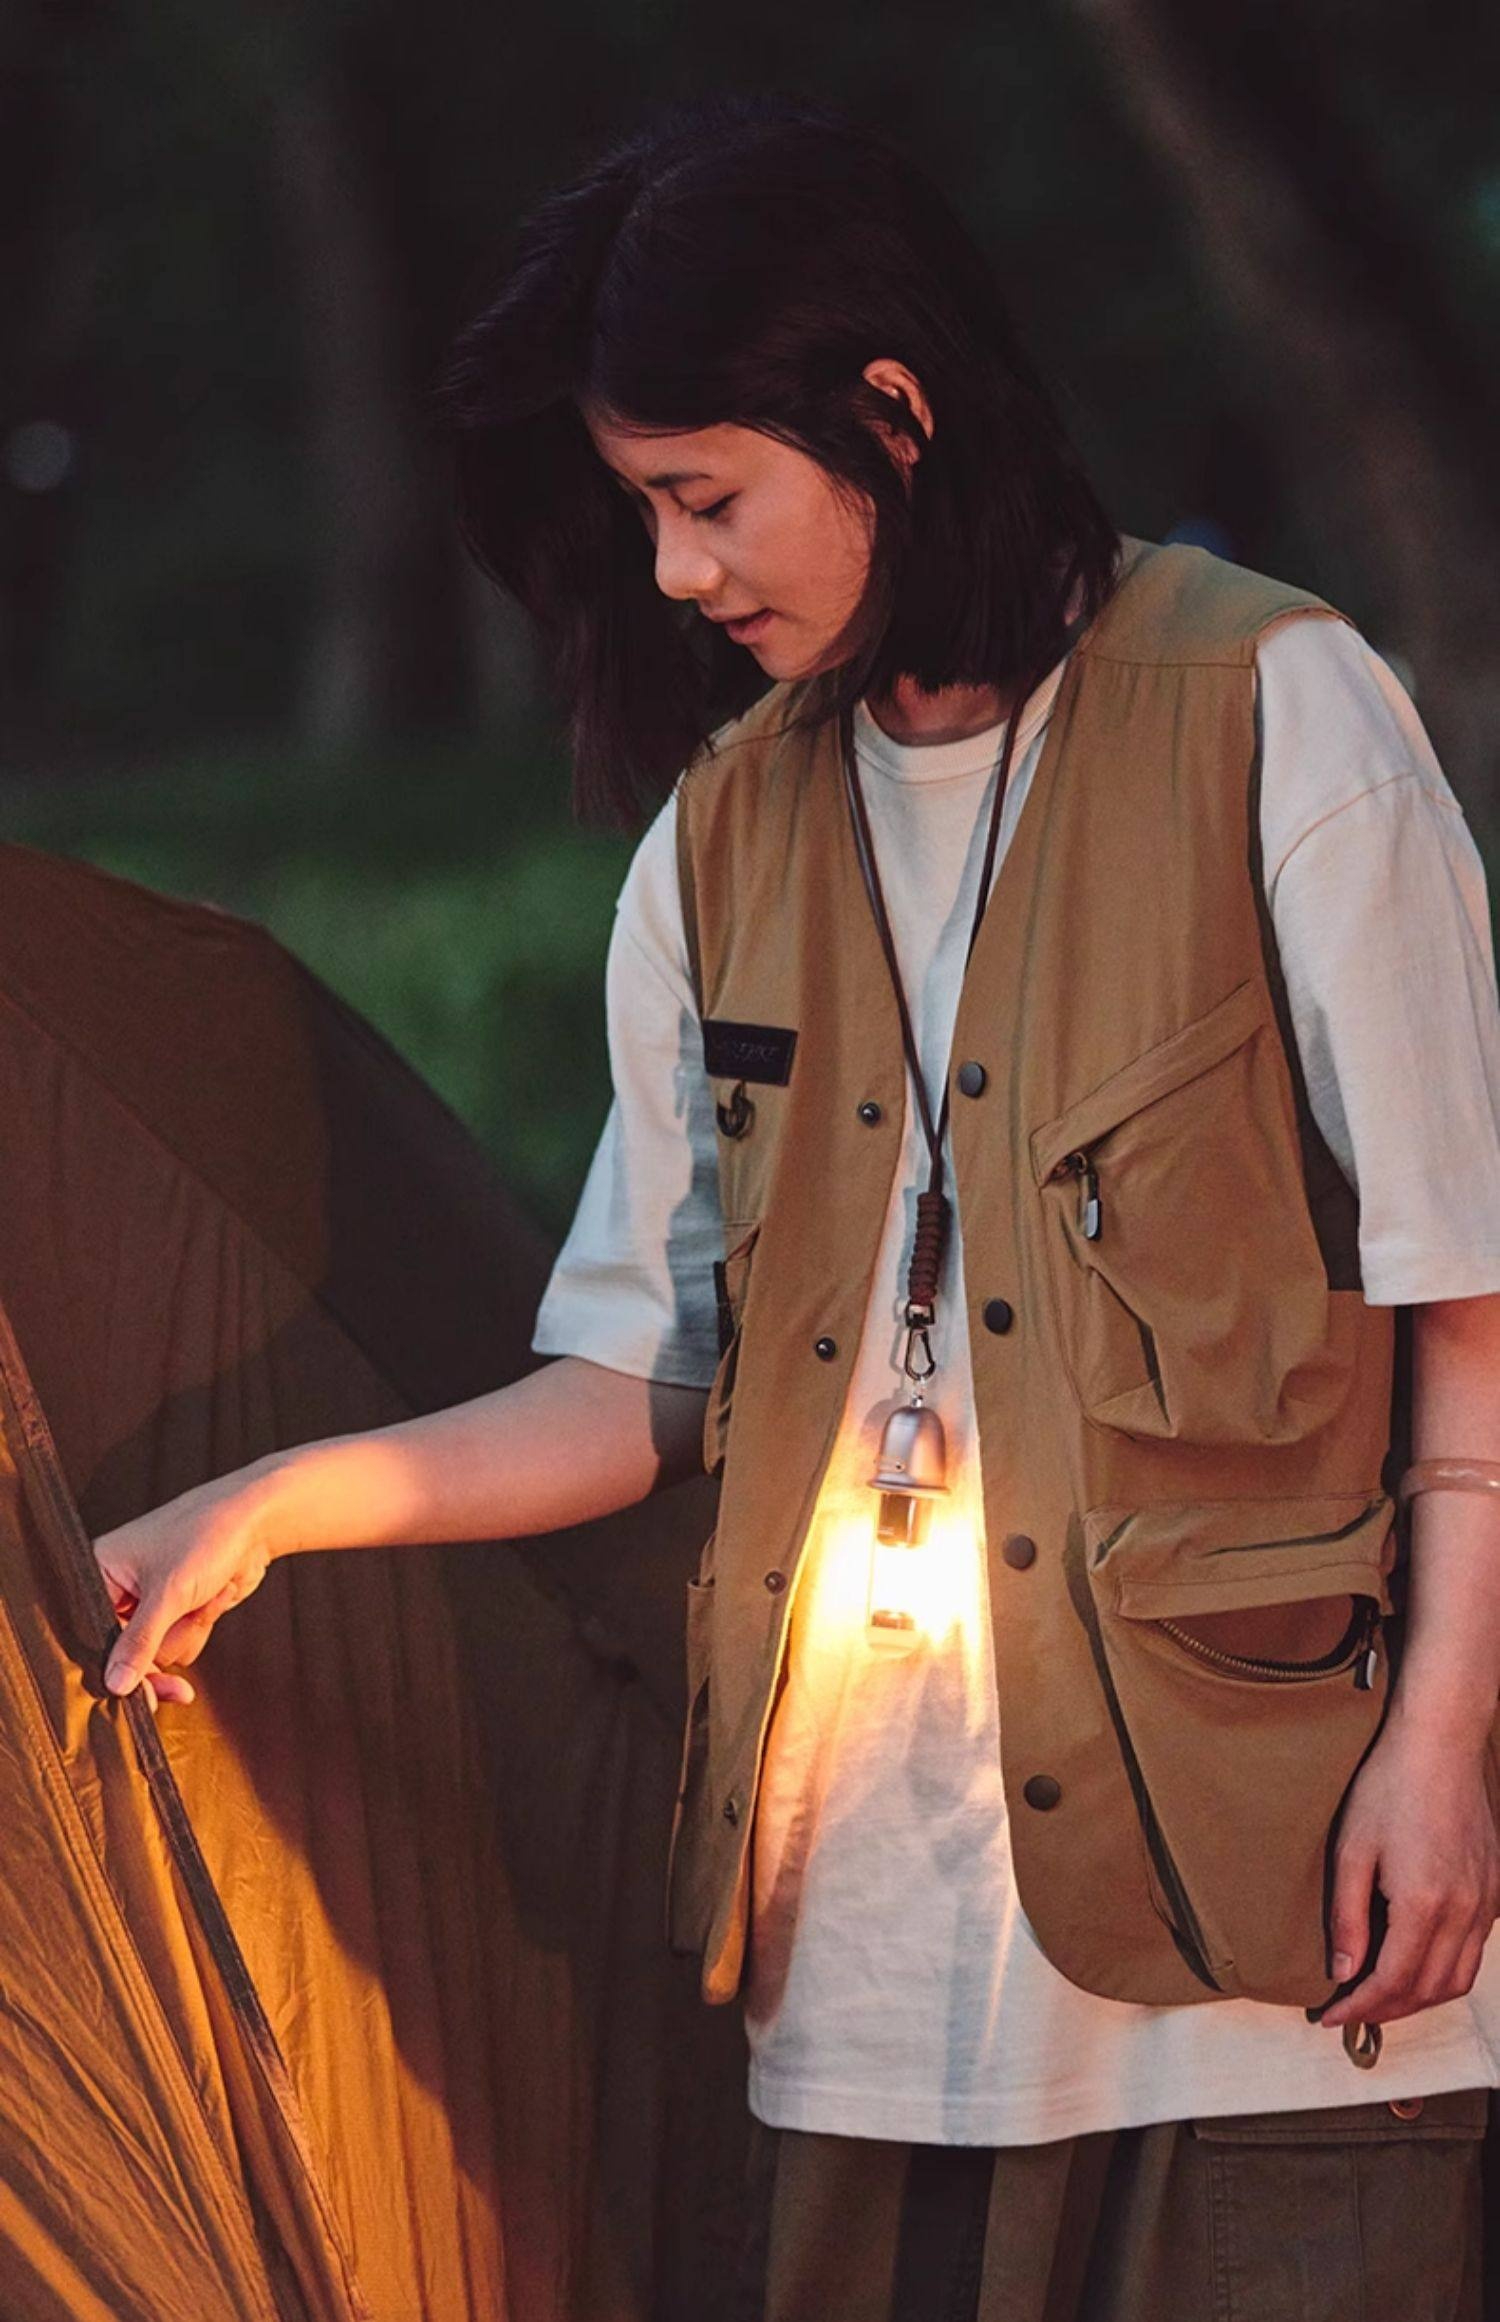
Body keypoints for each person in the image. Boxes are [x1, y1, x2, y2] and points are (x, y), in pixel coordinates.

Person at [92, 90, 1500, 2322]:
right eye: (646, 512)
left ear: (894, 414)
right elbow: (637, 1385)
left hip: (1271, 1946)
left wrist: (1443, 1752)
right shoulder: (721, 835)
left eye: (706, 497)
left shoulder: (1277, 709)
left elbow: (1468, 1295)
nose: (676, 573)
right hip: (858, 1974)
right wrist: (274, 1505)